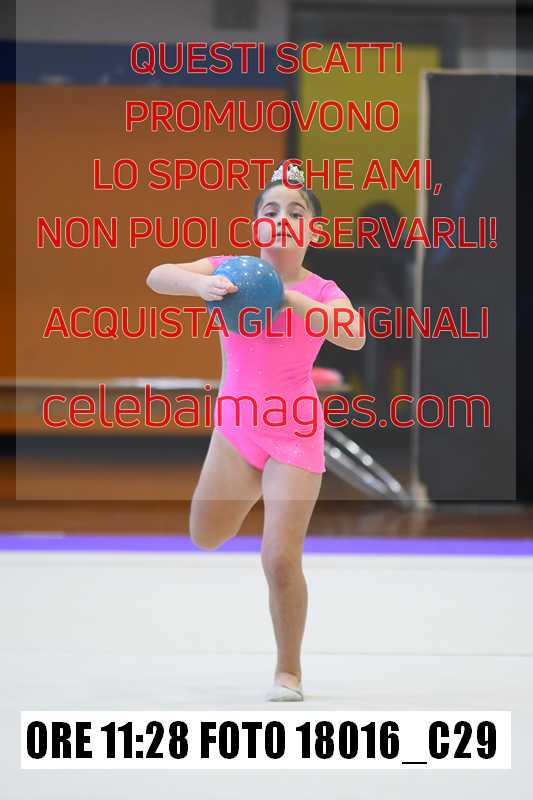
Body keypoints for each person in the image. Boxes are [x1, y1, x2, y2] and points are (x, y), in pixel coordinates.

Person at [146, 160, 365, 701]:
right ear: (256, 226)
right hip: (236, 430)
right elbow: (158, 275)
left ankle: (288, 671)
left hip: (293, 435)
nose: (282, 218)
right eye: (270, 210)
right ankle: (249, 489)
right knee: (205, 535)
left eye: (296, 211)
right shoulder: (232, 270)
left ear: (314, 230)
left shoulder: (322, 289)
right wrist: (202, 283)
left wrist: (291, 299)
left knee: (279, 557)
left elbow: (354, 335)